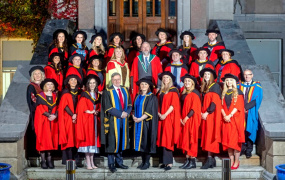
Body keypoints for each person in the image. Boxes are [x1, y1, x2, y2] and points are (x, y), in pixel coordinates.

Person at [100, 72, 132, 173]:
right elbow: (108, 107)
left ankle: (119, 162)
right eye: (115, 79)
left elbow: (130, 104)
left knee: (121, 141)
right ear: (112, 80)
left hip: (124, 120)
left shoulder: (125, 90)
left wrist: (126, 113)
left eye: (118, 79)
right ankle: (111, 164)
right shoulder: (107, 91)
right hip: (113, 120)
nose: (117, 81)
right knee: (112, 142)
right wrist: (120, 114)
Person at [132, 77, 158, 170]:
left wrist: (140, 119)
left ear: (149, 86)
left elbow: (149, 111)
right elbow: (134, 108)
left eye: (145, 84)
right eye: (142, 84)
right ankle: (143, 162)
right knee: (140, 143)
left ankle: (147, 162)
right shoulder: (137, 96)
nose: (143, 86)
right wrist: (133, 116)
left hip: (146, 124)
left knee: (145, 142)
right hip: (138, 122)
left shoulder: (151, 97)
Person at [156, 72, 181, 171]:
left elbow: (173, 105)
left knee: (167, 138)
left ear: (170, 79)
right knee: (162, 138)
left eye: (167, 77)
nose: (165, 79)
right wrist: (159, 114)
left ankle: (169, 163)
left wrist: (165, 114)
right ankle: (163, 162)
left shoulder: (173, 90)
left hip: (168, 117)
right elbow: (157, 104)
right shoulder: (160, 91)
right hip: (161, 118)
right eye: (164, 77)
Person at [76, 74, 102, 170]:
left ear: (96, 84)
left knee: (93, 141)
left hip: (95, 121)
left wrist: (97, 111)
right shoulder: (84, 94)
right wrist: (91, 111)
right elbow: (82, 108)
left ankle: (92, 162)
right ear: (87, 84)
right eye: (90, 83)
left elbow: (99, 107)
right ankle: (88, 162)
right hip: (87, 121)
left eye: (93, 83)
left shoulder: (97, 95)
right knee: (88, 141)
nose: (92, 85)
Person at [221, 73, 245, 170]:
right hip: (226, 120)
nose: (228, 82)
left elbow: (238, 106)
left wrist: (229, 115)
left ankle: (236, 161)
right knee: (228, 142)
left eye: (230, 80)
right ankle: (231, 160)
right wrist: (224, 115)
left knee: (235, 142)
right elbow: (220, 106)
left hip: (234, 120)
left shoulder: (238, 92)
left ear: (234, 81)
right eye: (227, 80)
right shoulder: (223, 92)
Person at [199, 68, 222, 169]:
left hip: (211, 115)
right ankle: (211, 160)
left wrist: (207, 113)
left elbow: (214, 102)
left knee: (211, 135)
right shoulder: (204, 87)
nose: (206, 76)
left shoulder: (215, 86)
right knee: (207, 135)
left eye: (208, 74)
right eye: (205, 74)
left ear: (212, 76)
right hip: (206, 115)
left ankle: (209, 159)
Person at [178, 74, 201, 169]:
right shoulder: (183, 93)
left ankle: (192, 161)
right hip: (184, 119)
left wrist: (186, 118)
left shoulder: (195, 93)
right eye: (185, 81)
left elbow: (194, 108)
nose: (187, 83)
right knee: (186, 139)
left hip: (191, 119)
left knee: (192, 139)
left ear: (192, 83)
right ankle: (187, 160)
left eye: (189, 81)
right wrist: (180, 118)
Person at [34, 79, 59, 169]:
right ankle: (43, 161)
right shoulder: (40, 96)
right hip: (43, 121)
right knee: (43, 139)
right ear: (44, 86)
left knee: (51, 139)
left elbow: (57, 108)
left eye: (51, 84)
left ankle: (49, 160)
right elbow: (39, 109)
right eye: (48, 84)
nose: (49, 86)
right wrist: (49, 115)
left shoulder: (55, 96)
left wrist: (55, 115)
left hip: (52, 122)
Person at [239, 69, 263, 158]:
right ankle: (242, 148)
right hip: (241, 112)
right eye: (245, 75)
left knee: (251, 128)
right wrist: (241, 108)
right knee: (241, 129)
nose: (247, 76)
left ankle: (249, 149)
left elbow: (257, 99)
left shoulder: (257, 86)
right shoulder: (239, 85)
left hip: (251, 111)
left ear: (252, 75)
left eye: (249, 75)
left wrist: (246, 107)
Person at [58, 74, 81, 165]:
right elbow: (64, 105)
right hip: (68, 117)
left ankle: (76, 159)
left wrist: (76, 115)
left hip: (77, 118)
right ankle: (68, 159)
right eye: (71, 80)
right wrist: (72, 114)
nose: (73, 81)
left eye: (75, 80)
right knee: (69, 137)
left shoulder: (79, 92)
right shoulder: (65, 92)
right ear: (68, 82)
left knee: (75, 137)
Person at [26, 66, 45, 157]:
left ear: (42, 75)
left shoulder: (45, 85)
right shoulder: (31, 87)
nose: (37, 75)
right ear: (32, 76)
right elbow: (32, 101)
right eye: (35, 74)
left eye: (39, 73)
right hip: (37, 113)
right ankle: (38, 154)